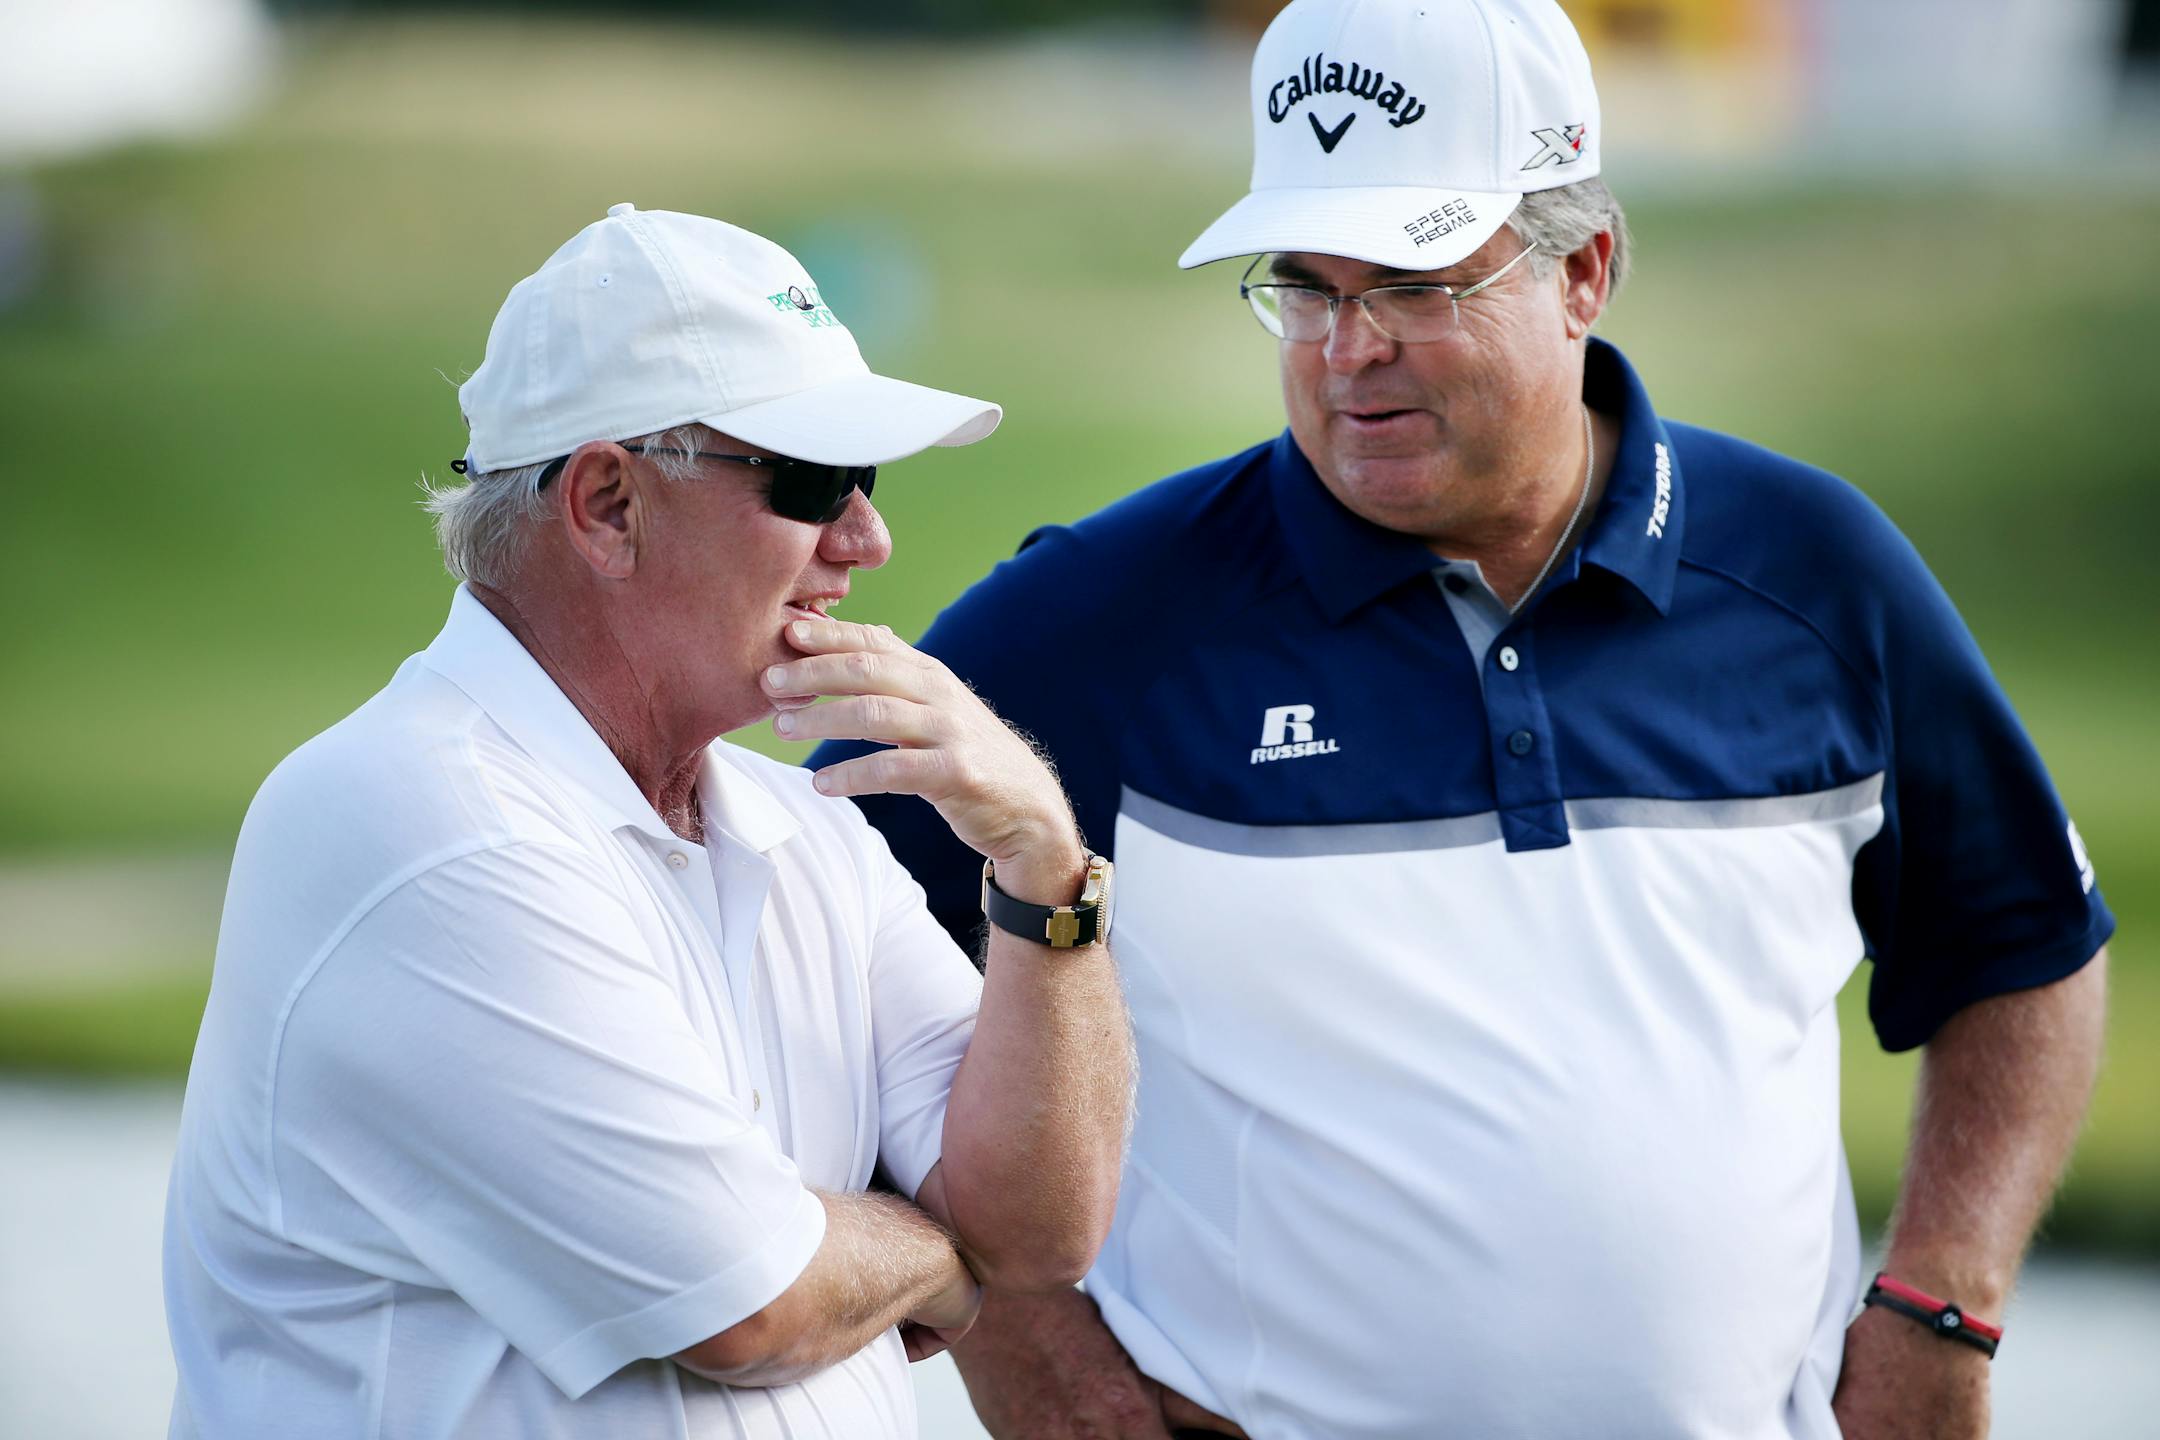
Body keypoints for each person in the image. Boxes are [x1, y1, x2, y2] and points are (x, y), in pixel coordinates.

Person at [810, 3, 2114, 1437]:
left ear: (1586, 270)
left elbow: (2022, 945)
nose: (1347, 350)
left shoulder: (1816, 575)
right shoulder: (1098, 622)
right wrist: (1036, 1349)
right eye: (1305, 286)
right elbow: (828, 976)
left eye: (1417, 282)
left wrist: (1945, 1301)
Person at [161, 203, 1132, 1440]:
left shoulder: (804, 825)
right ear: (609, 505)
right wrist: (942, 1256)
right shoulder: (418, 819)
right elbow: (750, 1302)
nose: (867, 537)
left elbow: (1046, 1233)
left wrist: (1045, 871)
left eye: (865, 479)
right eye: (813, 479)